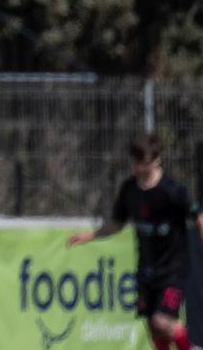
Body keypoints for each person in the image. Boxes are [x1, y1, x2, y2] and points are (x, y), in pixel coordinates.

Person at [68, 133, 203, 350]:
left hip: (173, 270)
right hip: (146, 270)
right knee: (153, 326)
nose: (138, 167)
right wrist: (89, 235)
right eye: (135, 161)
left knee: (162, 321)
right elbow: (117, 223)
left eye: (143, 162)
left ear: (157, 159)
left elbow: (198, 216)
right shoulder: (130, 190)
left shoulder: (172, 191)